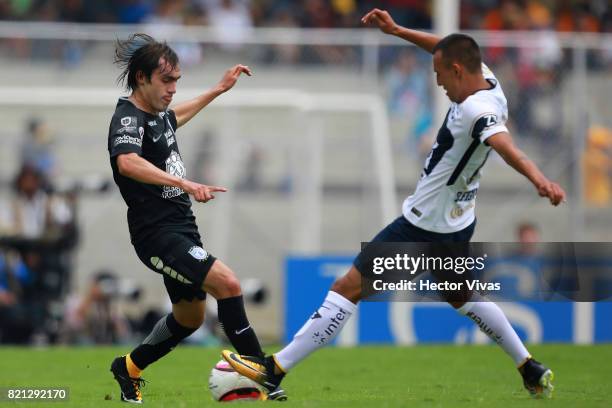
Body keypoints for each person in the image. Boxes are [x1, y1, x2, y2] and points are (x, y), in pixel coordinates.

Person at [222, 8, 565, 399]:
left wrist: (540, 180)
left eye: (439, 76)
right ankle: (529, 366)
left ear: (456, 70)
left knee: (346, 287)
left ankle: (275, 369)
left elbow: (506, 147)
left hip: (422, 226)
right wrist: (398, 30)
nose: (437, 84)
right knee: (462, 295)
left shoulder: (477, 109)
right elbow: (443, 47)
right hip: (457, 221)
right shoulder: (487, 79)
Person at [107, 33, 286, 403]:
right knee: (228, 283)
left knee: (189, 318)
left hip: (183, 230)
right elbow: (127, 162)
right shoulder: (127, 116)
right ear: (141, 78)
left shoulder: (157, 117)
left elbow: (176, 117)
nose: (173, 88)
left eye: (177, 81)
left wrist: (219, 89)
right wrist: (183, 182)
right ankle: (264, 374)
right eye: (166, 80)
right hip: (156, 236)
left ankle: (129, 367)